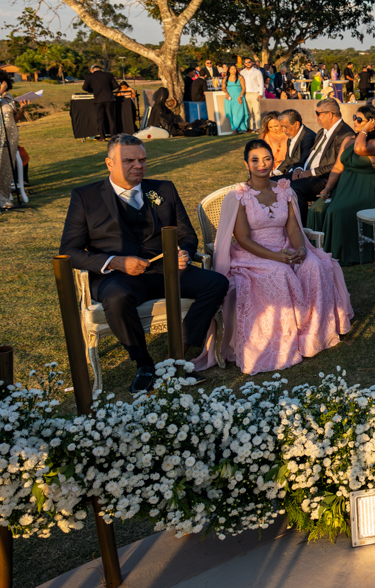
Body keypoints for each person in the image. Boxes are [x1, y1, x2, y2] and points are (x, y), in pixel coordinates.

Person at [58, 135, 230, 392]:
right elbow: (69, 251)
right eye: (129, 161)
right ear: (109, 163)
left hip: (165, 271)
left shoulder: (164, 190)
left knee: (216, 283)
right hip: (117, 277)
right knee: (117, 298)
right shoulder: (85, 197)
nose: (138, 166)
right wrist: (115, 262)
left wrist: (183, 252)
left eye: (142, 160)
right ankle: (144, 364)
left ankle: (175, 356)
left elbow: (186, 234)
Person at [198, 140, 352, 374]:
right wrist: (276, 257)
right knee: (279, 273)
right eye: (255, 160)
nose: (262, 164)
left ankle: (313, 336)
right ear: (246, 164)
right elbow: (243, 239)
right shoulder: (239, 196)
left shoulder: (284, 190)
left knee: (313, 265)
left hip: (286, 246)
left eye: (267, 159)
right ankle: (282, 345)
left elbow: (293, 228)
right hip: (252, 253)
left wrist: (301, 249)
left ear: (273, 161)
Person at [305, 104, 375, 264]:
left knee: (335, 211)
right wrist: (328, 188)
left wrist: (364, 131)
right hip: (343, 189)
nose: (355, 121)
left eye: (359, 119)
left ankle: (335, 254)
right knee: (316, 209)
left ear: (371, 122)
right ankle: (315, 252)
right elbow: (338, 167)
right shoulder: (348, 140)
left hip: (363, 192)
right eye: (354, 117)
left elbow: (360, 149)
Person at [288, 99, 355, 224]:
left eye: (318, 113)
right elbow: (309, 156)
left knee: (294, 188)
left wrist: (311, 172)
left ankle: (301, 229)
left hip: (325, 178)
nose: (316, 116)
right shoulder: (322, 132)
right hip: (307, 173)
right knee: (275, 182)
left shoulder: (345, 134)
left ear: (329, 115)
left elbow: (338, 165)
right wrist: (300, 168)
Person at [274, 109, 317, 178]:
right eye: (282, 126)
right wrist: (275, 173)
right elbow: (288, 159)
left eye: (285, 126)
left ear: (297, 125)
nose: (283, 130)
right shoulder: (291, 134)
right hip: (290, 172)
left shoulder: (309, 138)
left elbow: (302, 163)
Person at [82, 64, 120, 138]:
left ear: (92, 70)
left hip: (98, 99)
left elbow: (85, 88)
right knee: (111, 118)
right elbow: (116, 85)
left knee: (100, 119)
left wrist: (93, 90)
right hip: (109, 99)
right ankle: (113, 135)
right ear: (100, 69)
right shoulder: (108, 75)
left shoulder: (89, 76)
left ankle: (102, 137)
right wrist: (109, 89)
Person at [0, 73, 18, 210]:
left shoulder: (8, 97)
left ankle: (4, 196)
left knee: (7, 166)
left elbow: (15, 118)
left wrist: (22, 109)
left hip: (11, 135)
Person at [222, 64, 249, 133]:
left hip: (238, 97)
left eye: (234, 69)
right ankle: (240, 128)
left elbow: (243, 88)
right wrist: (226, 93)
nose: (233, 70)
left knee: (239, 112)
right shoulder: (225, 78)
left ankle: (234, 129)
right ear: (229, 70)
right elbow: (223, 88)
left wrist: (240, 96)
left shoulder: (240, 77)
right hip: (229, 98)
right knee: (230, 113)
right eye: (232, 69)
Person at [241, 58, 265, 131]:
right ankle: (250, 128)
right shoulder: (242, 72)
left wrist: (260, 94)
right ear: (244, 64)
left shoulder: (257, 72)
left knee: (257, 111)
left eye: (249, 62)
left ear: (252, 62)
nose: (248, 63)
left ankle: (258, 127)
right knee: (249, 112)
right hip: (246, 94)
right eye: (246, 62)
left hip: (255, 93)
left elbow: (261, 83)